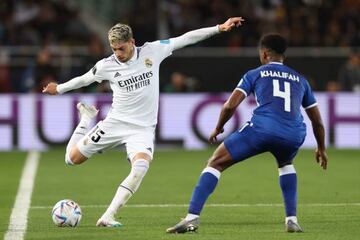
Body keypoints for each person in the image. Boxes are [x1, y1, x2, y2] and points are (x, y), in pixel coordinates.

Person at [42, 17, 245, 227]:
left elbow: (185, 38)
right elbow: (84, 79)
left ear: (132, 42)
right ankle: (86, 119)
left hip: (142, 129)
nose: (117, 54)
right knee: (71, 159)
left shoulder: (153, 51)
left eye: (120, 49)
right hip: (115, 123)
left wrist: (219, 28)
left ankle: (108, 216)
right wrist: (59, 88)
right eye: (113, 49)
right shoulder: (107, 65)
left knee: (140, 167)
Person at [166, 33, 328, 234]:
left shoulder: (255, 73)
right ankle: (292, 220)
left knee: (215, 162)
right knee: (286, 164)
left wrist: (219, 127)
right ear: (283, 55)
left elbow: (230, 105)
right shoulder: (301, 80)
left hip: (263, 129)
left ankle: (191, 217)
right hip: (294, 133)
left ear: (264, 54)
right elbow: (318, 122)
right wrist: (321, 147)